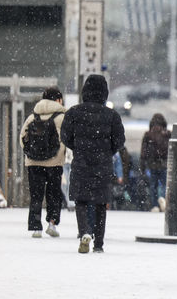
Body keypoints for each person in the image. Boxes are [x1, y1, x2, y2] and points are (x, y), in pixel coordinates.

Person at [61, 74, 125, 254]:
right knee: (100, 202)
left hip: (81, 162)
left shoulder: (73, 112)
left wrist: (79, 147)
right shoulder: (111, 115)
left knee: (81, 200)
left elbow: (65, 137)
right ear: (105, 92)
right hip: (103, 164)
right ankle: (99, 243)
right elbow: (120, 141)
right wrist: (107, 151)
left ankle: (84, 233)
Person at [19, 87, 67, 238]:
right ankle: (52, 223)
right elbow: (67, 139)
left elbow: (22, 138)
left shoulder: (33, 116)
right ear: (58, 100)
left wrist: (32, 152)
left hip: (33, 162)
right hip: (55, 162)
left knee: (36, 194)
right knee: (54, 194)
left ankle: (35, 227)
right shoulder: (62, 117)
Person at [140, 113, 171, 212]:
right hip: (164, 164)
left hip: (152, 164)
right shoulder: (167, 134)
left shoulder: (148, 135)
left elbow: (143, 152)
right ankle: (162, 199)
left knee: (153, 185)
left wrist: (142, 167)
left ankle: (154, 205)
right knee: (164, 185)